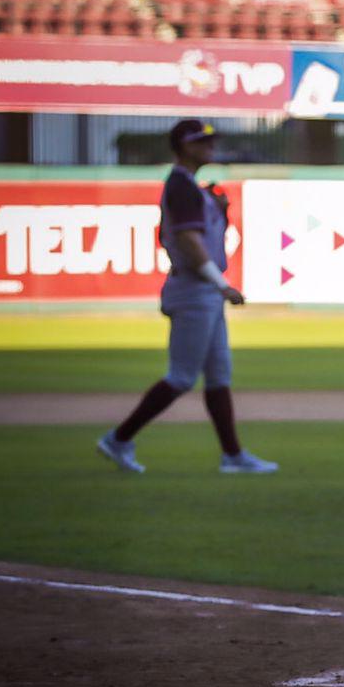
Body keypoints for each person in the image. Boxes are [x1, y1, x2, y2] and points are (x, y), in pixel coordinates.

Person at [96, 120, 277, 475]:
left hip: (203, 289)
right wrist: (220, 282)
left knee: (219, 374)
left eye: (210, 140)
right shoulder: (181, 184)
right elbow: (189, 242)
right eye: (201, 141)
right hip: (194, 288)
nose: (209, 146)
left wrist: (219, 213)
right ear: (182, 146)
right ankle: (118, 439)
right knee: (181, 376)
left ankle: (233, 456)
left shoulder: (192, 186)